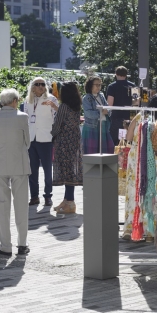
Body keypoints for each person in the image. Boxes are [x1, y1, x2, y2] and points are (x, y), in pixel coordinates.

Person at [0, 89, 31, 256]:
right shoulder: (22, 117)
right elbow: (27, 141)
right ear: (14, 101)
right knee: (21, 205)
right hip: (18, 163)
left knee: (2, 205)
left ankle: (5, 245)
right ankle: (22, 244)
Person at [23, 77, 58, 207]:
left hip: (46, 139)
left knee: (48, 170)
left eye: (43, 84)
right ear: (32, 87)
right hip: (32, 139)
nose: (40, 86)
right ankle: (34, 196)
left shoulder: (51, 99)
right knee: (32, 170)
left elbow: (58, 117)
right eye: (37, 84)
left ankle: (48, 196)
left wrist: (55, 106)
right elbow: (25, 120)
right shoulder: (27, 101)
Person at [51, 82, 83, 214]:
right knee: (71, 170)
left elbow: (57, 125)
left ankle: (70, 202)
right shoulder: (76, 106)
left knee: (67, 171)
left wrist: (51, 135)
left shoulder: (64, 106)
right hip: (74, 140)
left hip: (64, 141)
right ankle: (67, 199)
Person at [81, 76, 114, 154]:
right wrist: (101, 112)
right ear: (90, 85)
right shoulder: (86, 98)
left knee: (107, 149)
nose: (99, 87)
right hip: (92, 127)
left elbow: (107, 107)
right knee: (91, 152)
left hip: (103, 126)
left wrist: (108, 111)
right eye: (96, 85)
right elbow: (88, 113)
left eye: (100, 85)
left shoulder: (101, 95)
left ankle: (102, 166)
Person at [106, 66, 137, 144]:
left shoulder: (112, 86)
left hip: (116, 117)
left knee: (116, 141)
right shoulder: (133, 86)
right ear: (126, 74)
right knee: (128, 141)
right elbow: (136, 103)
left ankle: (116, 156)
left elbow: (110, 103)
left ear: (116, 74)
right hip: (130, 117)